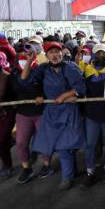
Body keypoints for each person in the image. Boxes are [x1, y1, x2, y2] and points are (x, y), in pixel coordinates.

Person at [20, 41, 86, 190]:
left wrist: (65, 95)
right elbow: (24, 79)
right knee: (63, 145)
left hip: (69, 111)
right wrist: (30, 61)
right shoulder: (43, 69)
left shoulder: (70, 67)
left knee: (65, 146)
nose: (55, 55)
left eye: (57, 51)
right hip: (52, 112)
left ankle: (67, 177)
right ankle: (72, 171)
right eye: (51, 52)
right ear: (47, 55)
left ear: (62, 53)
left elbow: (80, 87)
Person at [10, 43, 53, 184]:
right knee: (21, 143)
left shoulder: (40, 71)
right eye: (22, 55)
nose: (25, 57)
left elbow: (48, 87)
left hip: (41, 112)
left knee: (44, 141)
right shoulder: (14, 73)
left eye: (28, 55)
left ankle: (47, 165)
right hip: (23, 114)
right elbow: (22, 82)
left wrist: (43, 96)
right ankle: (26, 169)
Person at [80, 43, 105, 185]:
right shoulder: (86, 70)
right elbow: (79, 87)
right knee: (90, 144)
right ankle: (90, 172)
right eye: (98, 53)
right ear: (93, 55)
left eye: (104, 54)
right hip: (92, 114)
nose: (101, 56)